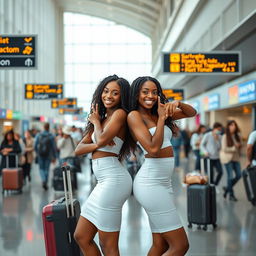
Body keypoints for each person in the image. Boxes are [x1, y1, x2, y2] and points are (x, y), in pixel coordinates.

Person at [128, 76, 196, 256]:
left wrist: (179, 103)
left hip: (163, 182)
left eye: (154, 92)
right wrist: (160, 119)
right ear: (136, 95)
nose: (150, 95)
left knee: (160, 245)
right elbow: (153, 148)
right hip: (150, 183)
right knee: (181, 245)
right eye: (145, 92)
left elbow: (192, 113)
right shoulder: (134, 116)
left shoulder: (160, 111)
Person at [73, 75, 132, 256]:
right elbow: (78, 149)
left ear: (122, 97)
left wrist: (97, 124)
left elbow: (102, 138)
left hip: (114, 181)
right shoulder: (101, 118)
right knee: (81, 236)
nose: (109, 96)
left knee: (108, 245)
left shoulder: (120, 114)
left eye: (115, 93)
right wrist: (98, 142)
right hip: (103, 181)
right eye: (106, 91)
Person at [220, 120, 242, 201]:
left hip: (236, 158)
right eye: (232, 125)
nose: (234, 126)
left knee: (239, 175)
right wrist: (235, 147)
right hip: (227, 159)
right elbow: (224, 149)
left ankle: (227, 189)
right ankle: (231, 195)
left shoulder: (238, 136)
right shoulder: (225, 136)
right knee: (230, 176)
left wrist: (239, 145)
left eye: (235, 125)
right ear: (228, 126)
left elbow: (240, 146)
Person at [34, 123, 57, 190]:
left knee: (41, 168)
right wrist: (54, 156)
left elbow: (35, 146)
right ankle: (45, 182)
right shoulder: (51, 136)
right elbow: (53, 147)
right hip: (48, 155)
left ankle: (43, 180)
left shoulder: (39, 135)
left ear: (43, 127)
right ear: (49, 127)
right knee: (47, 169)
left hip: (40, 154)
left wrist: (37, 152)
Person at [200, 122, 223, 187]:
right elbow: (202, 145)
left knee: (220, 172)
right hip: (208, 158)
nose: (219, 131)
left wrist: (217, 140)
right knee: (210, 174)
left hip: (216, 157)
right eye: (218, 129)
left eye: (220, 130)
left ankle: (215, 185)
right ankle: (212, 187)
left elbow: (219, 148)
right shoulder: (207, 135)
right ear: (214, 129)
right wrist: (205, 152)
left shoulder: (220, 137)